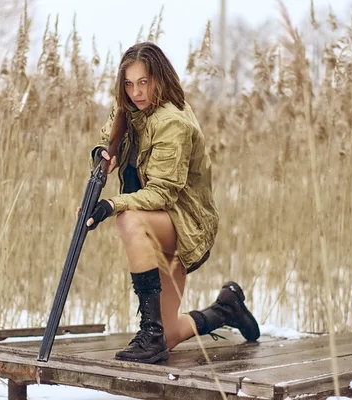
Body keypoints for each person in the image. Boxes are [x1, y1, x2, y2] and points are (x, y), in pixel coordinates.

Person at [83, 42, 260, 364]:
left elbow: (163, 194)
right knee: (170, 335)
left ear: (159, 79)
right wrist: (102, 154)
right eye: (128, 82)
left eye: (143, 82)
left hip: (184, 223)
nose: (136, 91)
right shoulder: (128, 108)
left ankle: (148, 332)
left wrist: (111, 205)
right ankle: (225, 309)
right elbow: (109, 135)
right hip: (157, 223)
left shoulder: (173, 122)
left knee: (129, 218)